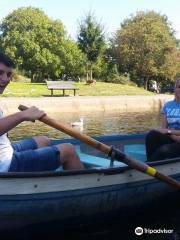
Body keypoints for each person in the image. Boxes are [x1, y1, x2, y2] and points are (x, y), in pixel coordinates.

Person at [0, 52, 84, 172]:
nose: (5, 79)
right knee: (69, 150)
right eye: (0, 73)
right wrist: (23, 115)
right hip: (5, 164)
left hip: (5, 151)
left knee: (43, 140)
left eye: (9, 74)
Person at [145, 78, 180, 162]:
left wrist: (169, 131)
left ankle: (148, 165)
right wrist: (173, 135)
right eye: (179, 87)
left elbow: (166, 131)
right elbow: (163, 129)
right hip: (173, 137)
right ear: (175, 88)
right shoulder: (167, 105)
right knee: (151, 135)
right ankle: (151, 163)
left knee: (163, 150)